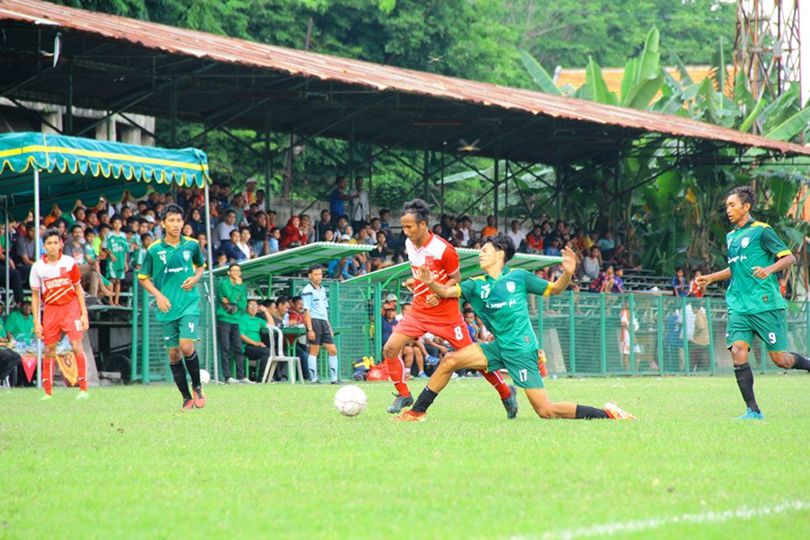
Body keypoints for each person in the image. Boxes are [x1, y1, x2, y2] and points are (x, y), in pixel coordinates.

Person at [397, 235, 635, 422]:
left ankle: (608, 414)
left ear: (500, 254)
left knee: (546, 411)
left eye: (485, 250)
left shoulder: (519, 277)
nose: (480, 254)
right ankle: (417, 412)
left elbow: (555, 289)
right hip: (499, 347)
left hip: (521, 350)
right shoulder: (476, 285)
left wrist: (568, 273)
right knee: (449, 360)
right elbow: (447, 291)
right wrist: (429, 282)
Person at [381, 199, 516, 415]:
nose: (405, 231)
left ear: (423, 224)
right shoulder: (409, 244)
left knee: (474, 360)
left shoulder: (444, 249)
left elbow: (456, 278)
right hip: (418, 310)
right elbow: (421, 273)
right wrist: (415, 282)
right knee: (389, 348)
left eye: (409, 227)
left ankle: (506, 392)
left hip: (447, 315)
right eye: (403, 227)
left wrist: (439, 291)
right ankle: (404, 394)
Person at [696, 185, 810, 419]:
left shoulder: (762, 231)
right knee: (738, 350)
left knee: (781, 360)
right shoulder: (731, 236)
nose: (728, 210)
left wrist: (768, 269)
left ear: (746, 207)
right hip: (739, 305)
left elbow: (789, 257)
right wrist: (710, 277)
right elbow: (736, 267)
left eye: (732, 205)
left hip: (765, 304)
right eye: (727, 205)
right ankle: (753, 410)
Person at [138, 204, 206, 411]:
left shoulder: (192, 245)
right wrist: (158, 295)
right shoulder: (154, 250)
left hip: (189, 303)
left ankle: (197, 387)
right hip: (167, 308)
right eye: (171, 221)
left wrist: (195, 278)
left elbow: (201, 266)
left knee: (186, 346)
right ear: (163, 223)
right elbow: (143, 278)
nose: (176, 225)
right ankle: (186, 398)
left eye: (179, 220)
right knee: (174, 354)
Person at [30, 229, 90, 400]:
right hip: (51, 310)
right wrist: (36, 321)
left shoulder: (70, 262)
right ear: (44, 246)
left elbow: (78, 289)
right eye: (49, 243)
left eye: (56, 242)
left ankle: (83, 389)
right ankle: (48, 392)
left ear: (61, 244)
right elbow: (35, 296)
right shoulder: (38, 267)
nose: (53, 246)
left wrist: (84, 314)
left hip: (70, 308)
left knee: (76, 346)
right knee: (49, 350)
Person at [301, 264, 339, 384]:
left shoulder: (322, 289)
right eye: (316, 274)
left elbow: (324, 309)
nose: (318, 277)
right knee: (314, 351)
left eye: (320, 274)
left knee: (333, 350)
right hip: (314, 321)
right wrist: (310, 329)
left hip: (323, 321)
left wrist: (329, 326)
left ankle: (334, 379)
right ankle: (314, 379)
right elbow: (306, 311)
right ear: (310, 276)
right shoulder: (307, 290)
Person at [216, 264, 249, 384]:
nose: (235, 272)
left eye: (238, 271)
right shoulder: (224, 283)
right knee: (225, 348)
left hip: (236, 320)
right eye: (233, 270)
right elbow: (231, 297)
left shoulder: (243, 286)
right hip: (224, 319)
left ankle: (241, 376)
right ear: (228, 272)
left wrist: (235, 302)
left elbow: (243, 304)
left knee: (238, 348)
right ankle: (227, 376)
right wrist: (237, 293)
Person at [240, 299, 271, 382]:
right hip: (246, 346)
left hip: (257, 347)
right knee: (266, 352)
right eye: (251, 305)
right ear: (246, 307)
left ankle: (268, 377)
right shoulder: (243, 318)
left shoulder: (258, 320)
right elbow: (241, 335)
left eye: (255, 306)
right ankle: (261, 379)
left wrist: (266, 311)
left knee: (271, 352)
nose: (253, 308)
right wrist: (256, 343)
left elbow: (271, 325)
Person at [104, 215, 129, 306]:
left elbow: (126, 250)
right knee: (112, 280)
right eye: (115, 223)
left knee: (119, 281)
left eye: (119, 223)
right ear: (112, 224)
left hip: (121, 260)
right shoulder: (109, 235)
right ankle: (110, 300)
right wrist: (111, 255)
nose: (117, 225)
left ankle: (116, 301)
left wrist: (126, 262)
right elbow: (104, 247)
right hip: (112, 261)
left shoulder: (123, 236)